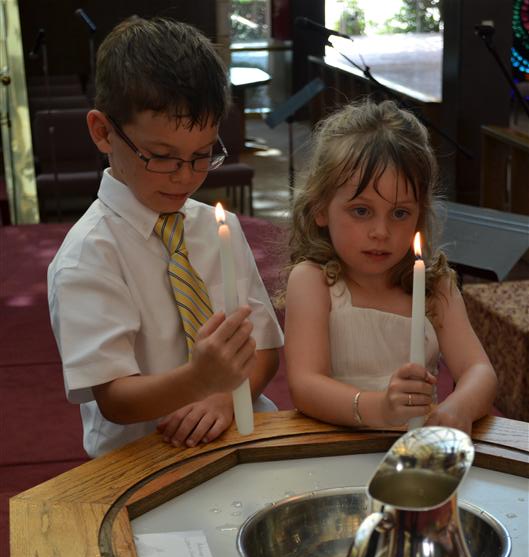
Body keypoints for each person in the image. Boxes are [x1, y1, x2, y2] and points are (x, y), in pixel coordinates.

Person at [48, 16, 283, 458]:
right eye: (161, 156)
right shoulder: (89, 256)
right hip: (144, 459)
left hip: (244, 431)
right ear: (103, 132)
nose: (185, 177)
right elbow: (115, 398)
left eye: (202, 155)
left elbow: (266, 348)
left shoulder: (219, 229)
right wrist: (199, 380)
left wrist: (225, 396)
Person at [283, 99, 497, 435]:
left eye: (399, 213)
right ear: (320, 208)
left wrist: (459, 406)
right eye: (361, 211)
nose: (381, 232)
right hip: (333, 447)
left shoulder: (434, 287)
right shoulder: (313, 282)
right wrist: (379, 408)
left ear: (420, 213)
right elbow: (306, 384)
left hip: (414, 449)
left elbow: (479, 370)